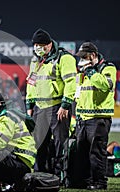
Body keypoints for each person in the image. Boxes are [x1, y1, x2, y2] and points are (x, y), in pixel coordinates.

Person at [26, 28, 77, 179]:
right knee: (38, 144)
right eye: (35, 45)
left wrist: (65, 105)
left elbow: (70, 83)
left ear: (49, 45)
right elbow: (31, 84)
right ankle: (40, 175)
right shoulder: (35, 60)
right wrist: (29, 107)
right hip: (39, 109)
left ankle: (60, 176)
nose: (37, 48)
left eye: (41, 45)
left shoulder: (64, 58)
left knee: (60, 144)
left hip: (57, 107)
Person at [74, 42, 116, 190]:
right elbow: (79, 94)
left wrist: (91, 72)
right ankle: (85, 181)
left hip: (99, 118)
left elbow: (105, 85)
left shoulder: (108, 68)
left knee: (97, 152)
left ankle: (99, 182)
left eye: (84, 57)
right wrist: (78, 114)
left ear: (92, 55)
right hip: (83, 118)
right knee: (82, 153)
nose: (81, 60)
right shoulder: (83, 73)